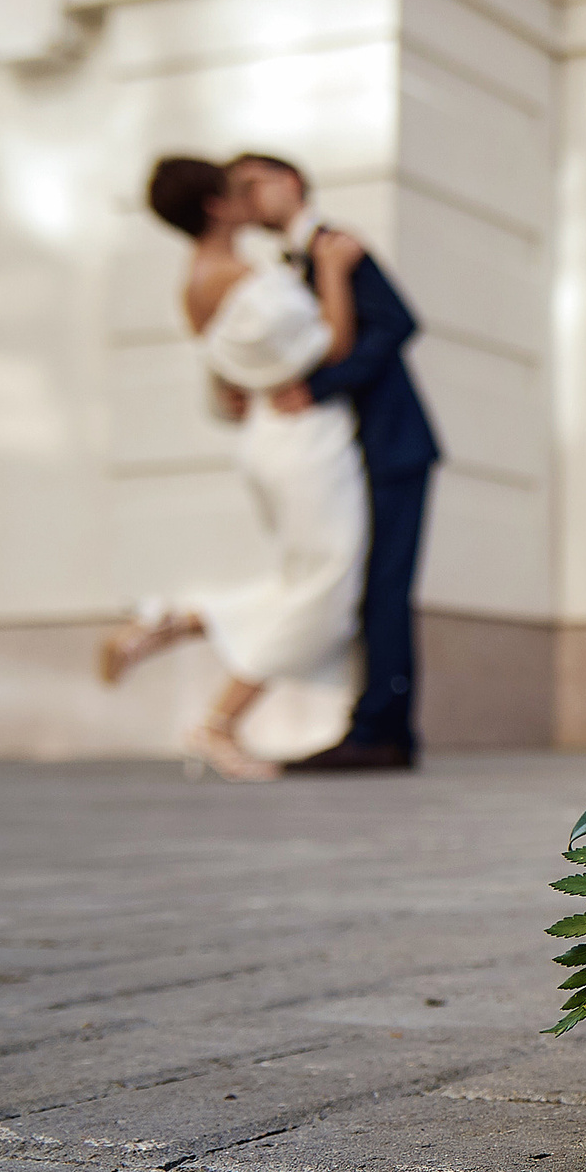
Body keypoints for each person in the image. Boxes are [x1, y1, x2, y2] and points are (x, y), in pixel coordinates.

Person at [100, 158, 370, 782]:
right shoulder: (241, 278)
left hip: (270, 442)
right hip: (305, 441)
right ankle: (216, 724)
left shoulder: (194, 283)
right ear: (217, 207)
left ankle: (173, 620)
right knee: (325, 587)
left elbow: (227, 391)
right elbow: (330, 347)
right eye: (238, 190)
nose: (251, 198)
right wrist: (332, 271)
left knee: (306, 579)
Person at [227, 153, 441, 771]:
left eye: (251, 185)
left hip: (394, 444)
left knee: (385, 589)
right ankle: (378, 726)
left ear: (290, 183)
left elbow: (398, 322)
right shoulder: (291, 263)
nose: (244, 200)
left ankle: (381, 732)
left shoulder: (335, 245)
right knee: (367, 586)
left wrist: (319, 388)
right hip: (357, 447)